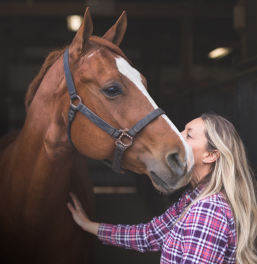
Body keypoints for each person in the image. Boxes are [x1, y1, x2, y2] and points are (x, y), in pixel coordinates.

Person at [68, 113, 257, 264]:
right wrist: (88, 225)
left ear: (210, 156)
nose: (178, 136)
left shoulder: (207, 210)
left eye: (188, 134)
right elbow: (149, 235)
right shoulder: (193, 198)